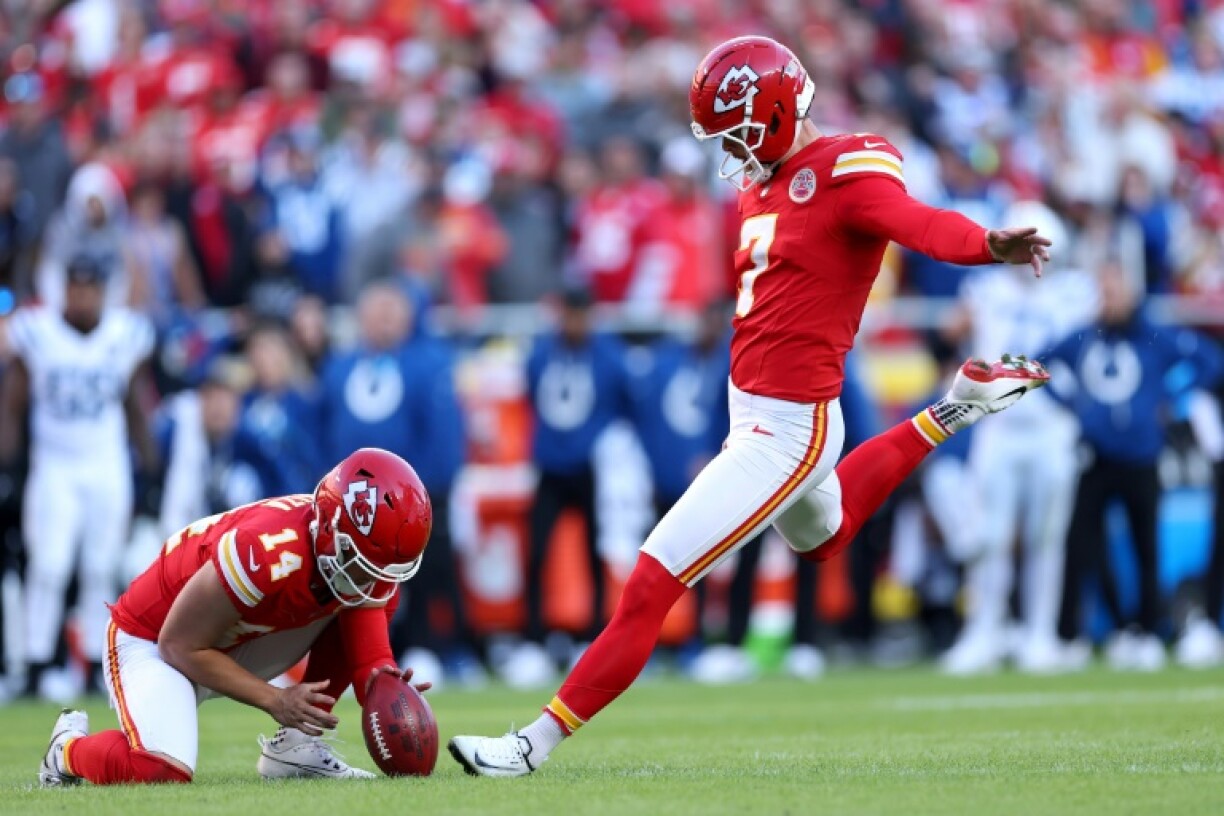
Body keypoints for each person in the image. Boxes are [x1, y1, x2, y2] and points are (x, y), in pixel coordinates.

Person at [448, 35, 1053, 776]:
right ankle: (956, 407)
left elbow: (916, 221)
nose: (729, 152)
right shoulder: (765, 180)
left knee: (651, 582)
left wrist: (986, 244)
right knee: (823, 538)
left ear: (772, 113)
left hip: (788, 429)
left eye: (735, 132)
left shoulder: (846, 170)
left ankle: (530, 745)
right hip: (758, 414)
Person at [38, 448, 433, 786]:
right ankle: (66, 751)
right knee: (160, 769)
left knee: (369, 595)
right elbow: (178, 645)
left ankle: (296, 746)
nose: (373, 578)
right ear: (331, 529)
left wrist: (386, 684)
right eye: (362, 562)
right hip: (155, 639)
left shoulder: (359, 561)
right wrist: (275, 698)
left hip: (233, 634)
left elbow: (368, 658)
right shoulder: (266, 552)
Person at [939, 201, 1099, 675]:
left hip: (1053, 427)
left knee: (1045, 538)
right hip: (1000, 426)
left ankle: (1039, 634)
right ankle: (983, 632)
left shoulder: (1076, 292)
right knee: (988, 535)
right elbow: (952, 330)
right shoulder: (987, 289)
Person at [1043, 259, 1224, 670]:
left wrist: (1172, 399)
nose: (1109, 300)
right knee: (1080, 544)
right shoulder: (1084, 337)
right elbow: (1039, 363)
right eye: (1104, 291)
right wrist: (1070, 405)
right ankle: (1069, 635)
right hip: (1095, 454)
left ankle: (1147, 631)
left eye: (1115, 290)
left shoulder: (1153, 335)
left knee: (1146, 547)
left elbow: (1209, 361)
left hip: (1142, 455)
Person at [0, 255, 159, 698]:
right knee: (48, 566)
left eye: (90, 289)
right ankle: (34, 663)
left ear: (103, 292)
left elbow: (134, 404)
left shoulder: (125, 334)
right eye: (76, 288)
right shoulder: (38, 333)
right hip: (54, 465)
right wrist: (6, 465)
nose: (83, 297)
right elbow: (12, 405)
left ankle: (93, 661)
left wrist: (152, 467)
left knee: (99, 567)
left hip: (106, 462)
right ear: (63, 289)